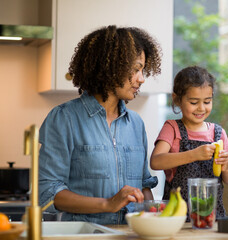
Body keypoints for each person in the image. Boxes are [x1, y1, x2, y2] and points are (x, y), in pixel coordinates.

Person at [38, 25, 162, 225]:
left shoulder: (136, 123)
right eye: (136, 69)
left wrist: (156, 221)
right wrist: (108, 203)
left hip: (130, 234)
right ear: (111, 67)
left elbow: (144, 185)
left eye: (143, 70)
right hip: (85, 235)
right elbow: (48, 193)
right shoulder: (64, 118)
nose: (142, 78)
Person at [150, 66, 228, 219]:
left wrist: (226, 166)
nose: (201, 108)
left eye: (207, 101)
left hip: (213, 218)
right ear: (177, 99)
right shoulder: (172, 128)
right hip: (178, 218)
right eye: (194, 102)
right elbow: (156, 162)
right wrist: (194, 154)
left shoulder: (218, 133)